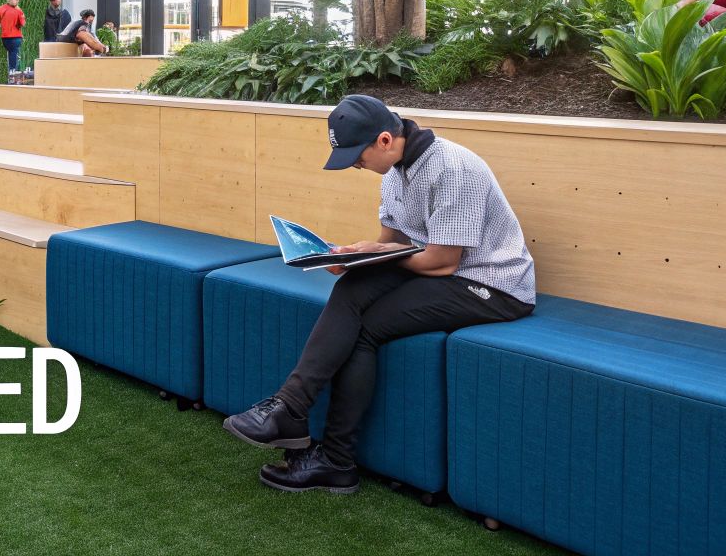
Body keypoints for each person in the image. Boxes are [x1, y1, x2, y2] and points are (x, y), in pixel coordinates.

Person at [221, 95, 536, 494]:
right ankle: (291, 408)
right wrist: (354, 258)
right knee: (352, 286)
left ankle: (334, 458)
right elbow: (394, 242)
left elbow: (441, 262)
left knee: (366, 329)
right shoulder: (393, 173)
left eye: (357, 155)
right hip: (441, 272)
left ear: (385, 140)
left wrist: (379, 254)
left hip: (491, 285)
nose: (354, 164)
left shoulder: (454, 168)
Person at [0, 0, 26, 81]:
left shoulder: (0, 9)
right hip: (15, 37)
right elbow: (23, 24)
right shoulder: (19, 11)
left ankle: (11, 73)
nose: (14, 1)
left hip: (5, 37)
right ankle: (12, 76)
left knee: (10, 54)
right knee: (14, 55)